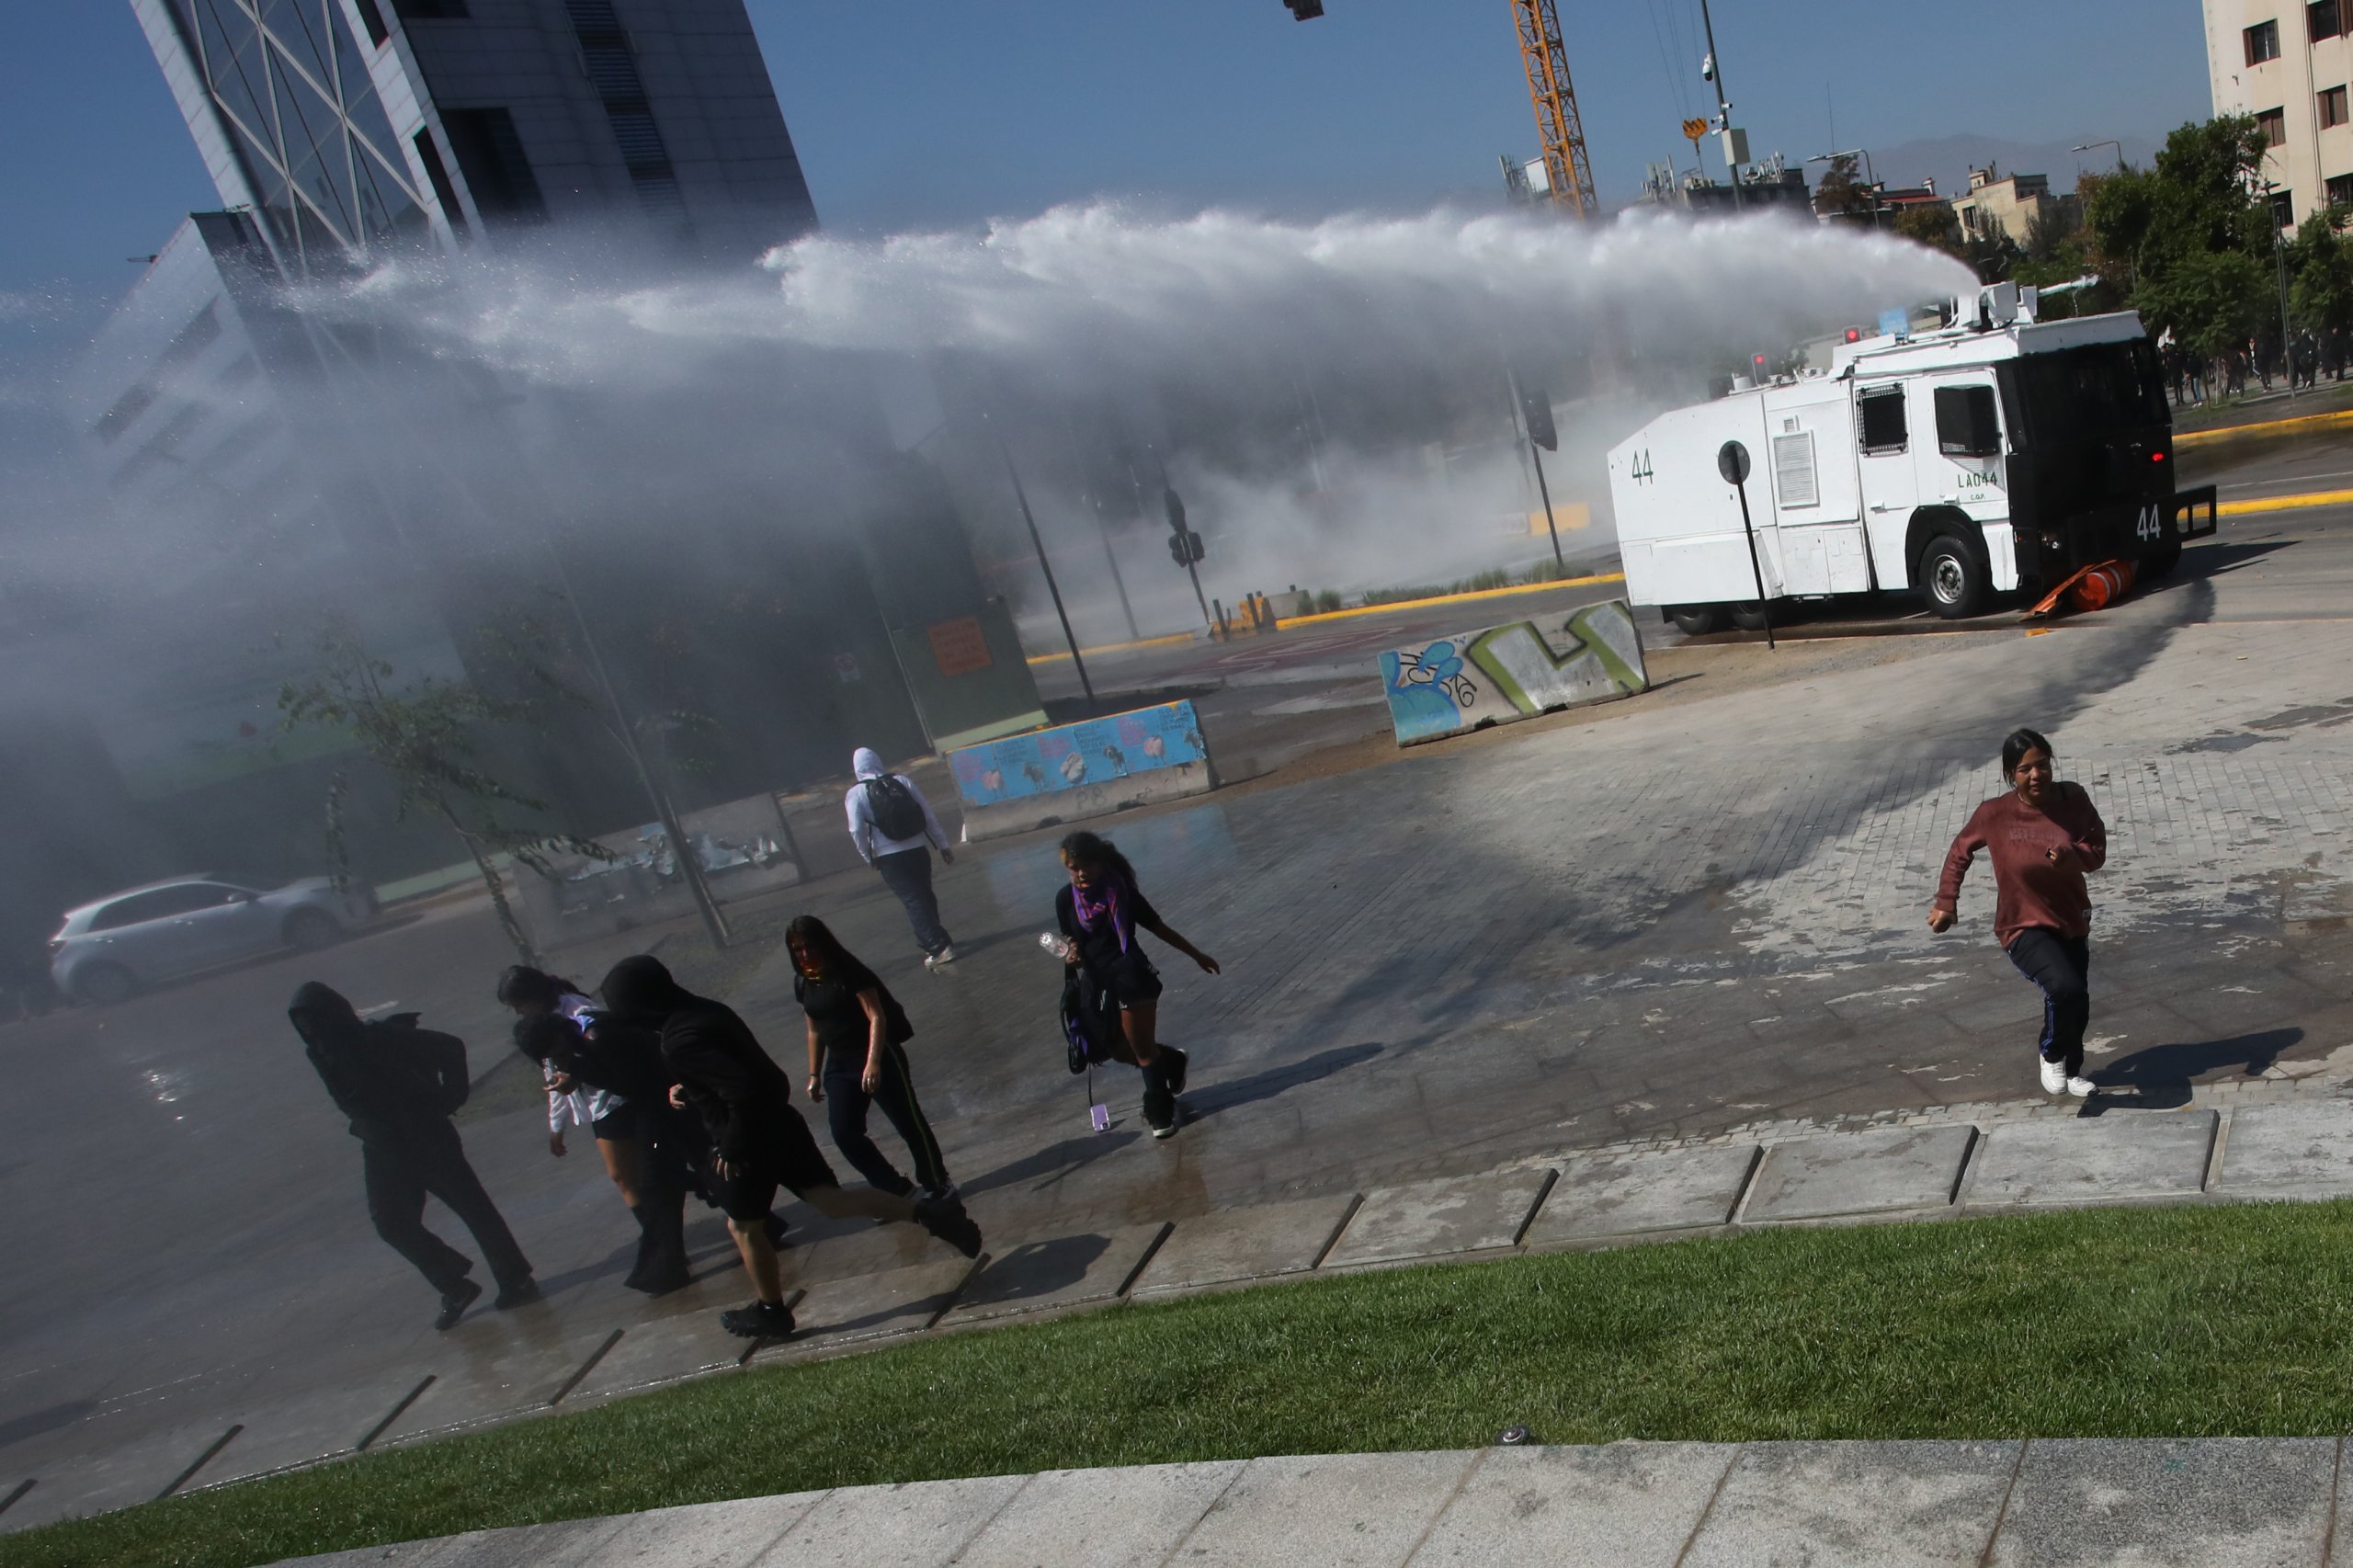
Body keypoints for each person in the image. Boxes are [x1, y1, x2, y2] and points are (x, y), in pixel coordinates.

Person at [598, 955, 980, 1340]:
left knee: (743, 1226)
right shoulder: (703, 1011)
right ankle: (931, 1214)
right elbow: (747, 1072)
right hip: (781, 1124)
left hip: (746, 1142)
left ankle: (771, 1312)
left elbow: (742, 1089)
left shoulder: (678, 1040)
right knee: (831, 1200)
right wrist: (691, 1088)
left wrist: (731, 1147)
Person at [289, 982, 537, 1329]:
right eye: (302, 1026)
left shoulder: (381, 1037)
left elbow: (450, 1047)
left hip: (426, 1138)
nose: (309, 1031)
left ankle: (516, 1278)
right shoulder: (319, 1051)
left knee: (474, 1210)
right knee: (391, 1223)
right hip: (382, 1148)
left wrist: (450, 1098)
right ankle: (454, 1284)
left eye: (313, 1022)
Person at [1928, 727, 2109, 1097]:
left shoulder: (2073, 800)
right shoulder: (1994, 814)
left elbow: (2096, 852)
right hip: (2022, 924)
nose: (2036, 775)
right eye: (2025, 769)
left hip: (2071, 919)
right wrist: (1946, 901)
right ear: (2011, 773)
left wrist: (2071, 855)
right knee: (2064, 986)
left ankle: (2072, 1070)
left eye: (2042, 765)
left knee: (2077, 1000)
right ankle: (2051, 1053)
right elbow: (1960, 851)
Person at [1054, 830, 1221, 1138]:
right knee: (1117, 1050)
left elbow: (1159, 928)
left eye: (1085, 866)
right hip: (1096, 983)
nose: (1080, 874)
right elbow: (1069, 937)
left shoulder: (1121, 892)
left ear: (1099, 862)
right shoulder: (1065, 899)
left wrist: (1197, 955)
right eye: (1073, 868)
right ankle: (1172, 1060)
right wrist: (1070, 952)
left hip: (1131, 975)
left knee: (1142, 1047)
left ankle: (1159, 1114)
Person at [790, 915, 955, 1202]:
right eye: (797, 949)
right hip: (840, 1064)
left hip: (878, 1056)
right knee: (844, 1133)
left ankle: (937, 1181)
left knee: (908, 1123)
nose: (804, 954)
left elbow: (876, 1016)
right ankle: (895, 1188)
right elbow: (814, 1030)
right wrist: (814, 1074)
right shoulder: (804, 982)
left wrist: (873, 1062)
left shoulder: (849, 972)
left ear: (822, 943)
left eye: (809, 946)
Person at [846, 747, 959, 967]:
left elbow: (856, 830)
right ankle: (939, 939)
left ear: (857, 768)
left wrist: (868, 856)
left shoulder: (856, 793)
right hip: (918, 849)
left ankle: (938, 948)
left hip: (889, 857)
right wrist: (943, 844)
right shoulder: (902, 781)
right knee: (925, 896)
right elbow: (927, 814)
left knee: (913, 900)